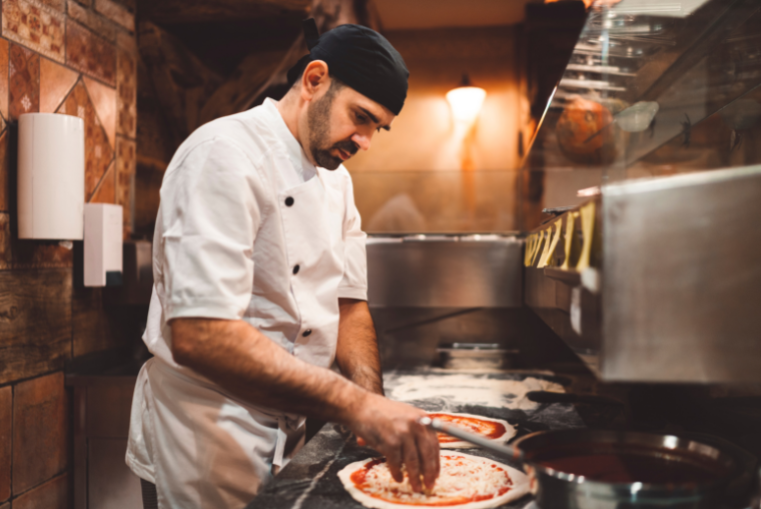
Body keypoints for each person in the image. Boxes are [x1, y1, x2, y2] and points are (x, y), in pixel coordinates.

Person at [125, 19, 440, 509]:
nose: (365, 142)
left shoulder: (336, 182)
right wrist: (356, 406)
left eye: (377, 127)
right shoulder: (222, 155)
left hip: (289, 428)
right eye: (361, 116)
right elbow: (201, 334)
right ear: (315, 80)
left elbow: (350, 306)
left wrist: (371, 405)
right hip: (205, 432)